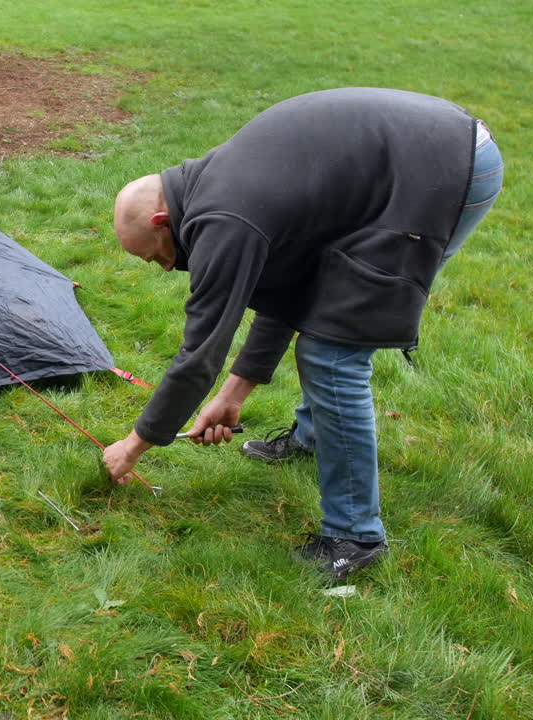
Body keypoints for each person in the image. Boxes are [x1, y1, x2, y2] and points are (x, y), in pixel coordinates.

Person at [102, 87, 503, 582]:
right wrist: (232, 397)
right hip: (421, 157)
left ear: (162, 220)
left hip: (439, 170)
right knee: (328, 322)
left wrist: (134, 445)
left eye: (156, 255)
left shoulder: (224, 218)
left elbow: (200, 355)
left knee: (333, 353)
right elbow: (294, 291)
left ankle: (355, 537)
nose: (166, 267)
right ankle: (315, 438)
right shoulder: (218, 189)